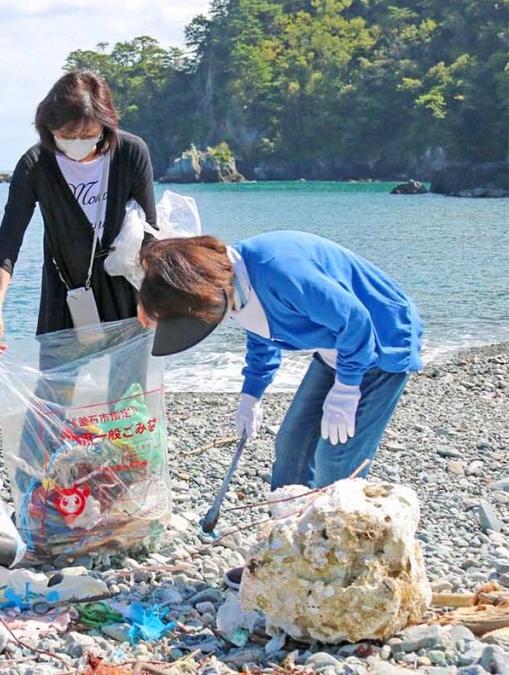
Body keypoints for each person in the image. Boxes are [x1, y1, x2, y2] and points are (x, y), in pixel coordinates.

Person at [137, 231, 423, 588]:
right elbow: (263, 332)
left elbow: (356, 320)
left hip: (381, 343)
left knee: (337, 460)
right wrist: (251, 394)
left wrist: (347, 387)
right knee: (291, 445)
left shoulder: (281, 271)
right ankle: (287, 556)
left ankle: (337, 568)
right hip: (337, 347)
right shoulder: (231, 285)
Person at [0, 70, 157, 355]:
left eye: (88, 135)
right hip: (64, 290)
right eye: (66, 135)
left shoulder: (130, 153)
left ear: (105, 126)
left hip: (125, 286)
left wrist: (150, 296)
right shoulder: (36, 165)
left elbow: (149, 234)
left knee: (127, 393)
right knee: (55, 392)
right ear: (49, 128)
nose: (78, 143)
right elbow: (8, 241)